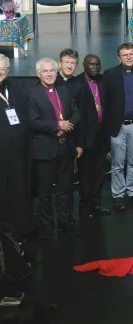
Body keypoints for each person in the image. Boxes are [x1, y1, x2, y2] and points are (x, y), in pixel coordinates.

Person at [28, 58, 82, 239]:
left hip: (65, 148)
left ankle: (65, 222)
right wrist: (59, 125)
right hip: (45, 150)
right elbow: (33, 122)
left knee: (65, 189)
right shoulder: (33, 94)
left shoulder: (64, 90)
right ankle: (47, 226)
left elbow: (76, 112)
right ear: (38, 74)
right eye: (46, 71)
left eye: (52, 71)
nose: (50, 74)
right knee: (45, 192)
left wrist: (69, 124)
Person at [102, 43, 133, 211]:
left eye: (131, 54)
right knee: (117, 163)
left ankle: (132, 192)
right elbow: (105, 102)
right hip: (117, 126)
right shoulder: (109, 75)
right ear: (119, 57)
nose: (128, 57)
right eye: (125, 55)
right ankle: (118, 195)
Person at [70, 54, 111, 219]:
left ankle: (96, 203)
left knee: (99, 171)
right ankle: (85, 205)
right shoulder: (76, 83)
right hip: (85, 136)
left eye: (98, 64)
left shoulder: (103, 81)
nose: (95, 67)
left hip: (101, 135)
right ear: (84, 66)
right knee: (85, 173)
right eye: (92, 64)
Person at [0, 54, 34, 236]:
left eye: (3, 69)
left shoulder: (14, 88)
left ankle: (18, 226)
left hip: (16, 152)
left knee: (16, 187)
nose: (0, 72)